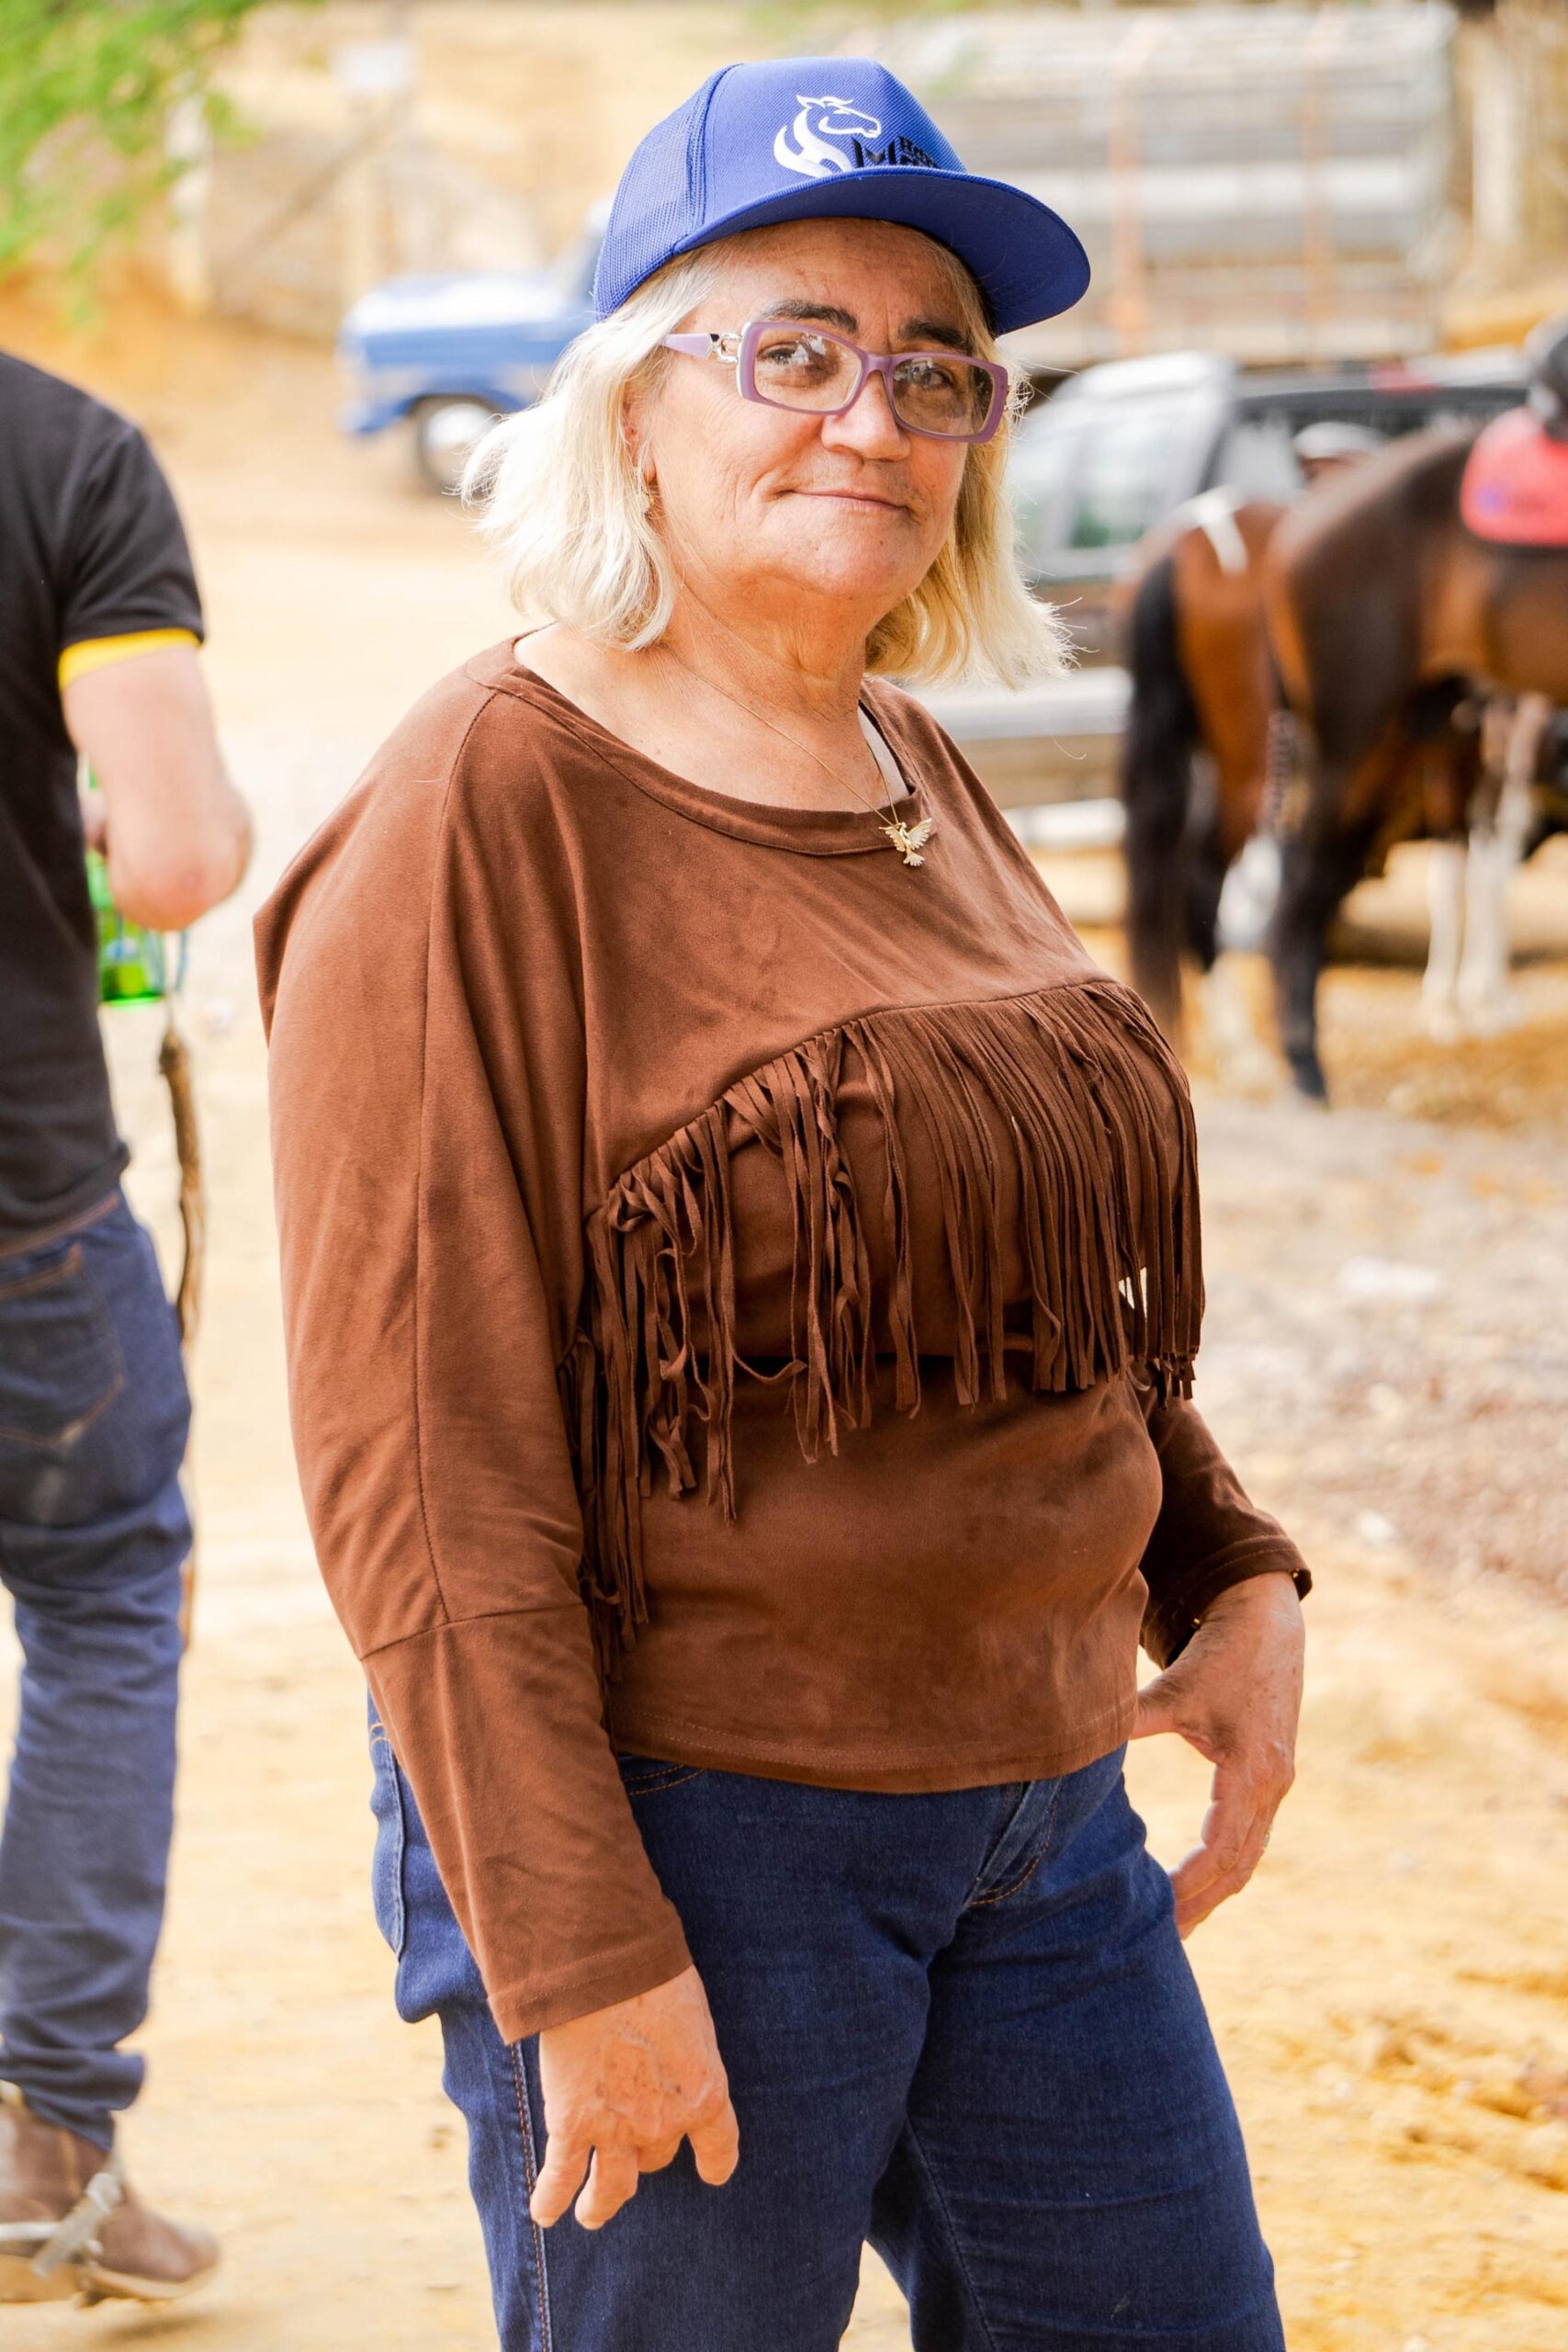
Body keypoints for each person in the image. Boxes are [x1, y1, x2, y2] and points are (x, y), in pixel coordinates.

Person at [258, 56, 1311, 2352]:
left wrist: (1219, 1568)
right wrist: (577, 1949)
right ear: (633, 404)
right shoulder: (476, 813)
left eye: (935, 371)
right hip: (696, 1833)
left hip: (1039, 1806)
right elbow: (416, 1464)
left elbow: (1017, 1266)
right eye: (795, 350)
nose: (872, 419)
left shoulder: (903, 754)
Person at [0, 350, 250, 2302]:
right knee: (101, 1603)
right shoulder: (65, 455)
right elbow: (170, 855)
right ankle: (40, 2144)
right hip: (23, 1214)